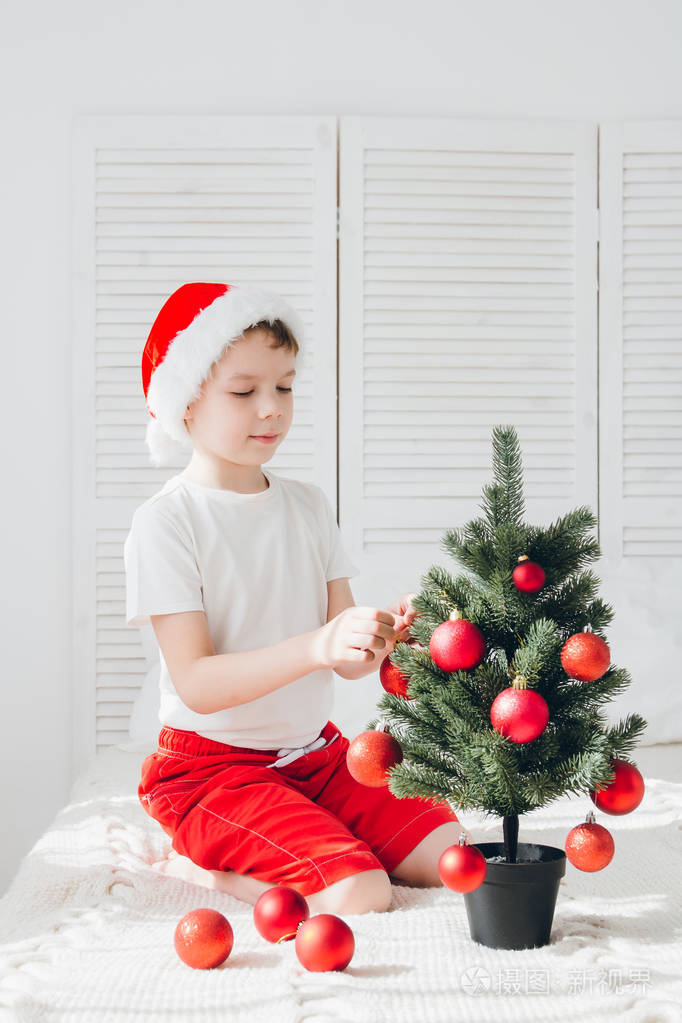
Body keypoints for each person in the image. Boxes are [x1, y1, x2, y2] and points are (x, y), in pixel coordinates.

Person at [124, 282, 468, 917]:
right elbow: (197, 682)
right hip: (213, 772)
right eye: (243, 391)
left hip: (316, 755)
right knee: (360, 893)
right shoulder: (167, 521)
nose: (271, 409)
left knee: (452, 859)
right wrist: (316, 645)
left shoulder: (307, 505)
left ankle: (310, 831)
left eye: (283, 387)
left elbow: (349, 660)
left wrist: (387, 633)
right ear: (187, 405)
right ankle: (202, 866)